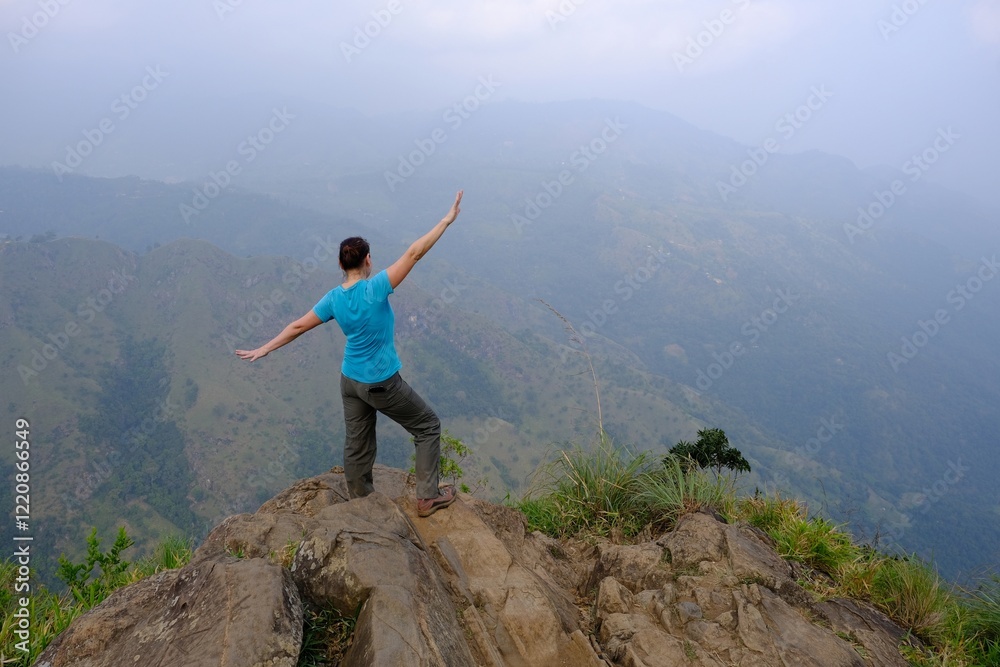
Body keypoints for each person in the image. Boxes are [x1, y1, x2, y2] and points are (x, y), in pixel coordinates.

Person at [236, 190, 464, 517]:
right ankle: (427, 497)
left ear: (341, 265)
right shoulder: (376, 288)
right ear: (367, 260)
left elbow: (297, 326)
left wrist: (264, 349)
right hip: (382, 382)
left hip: (350, 381)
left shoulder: (333, 299)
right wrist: (445, 220)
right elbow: (414, 253)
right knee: (428, 426)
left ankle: (360, 502)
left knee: (357, 444)